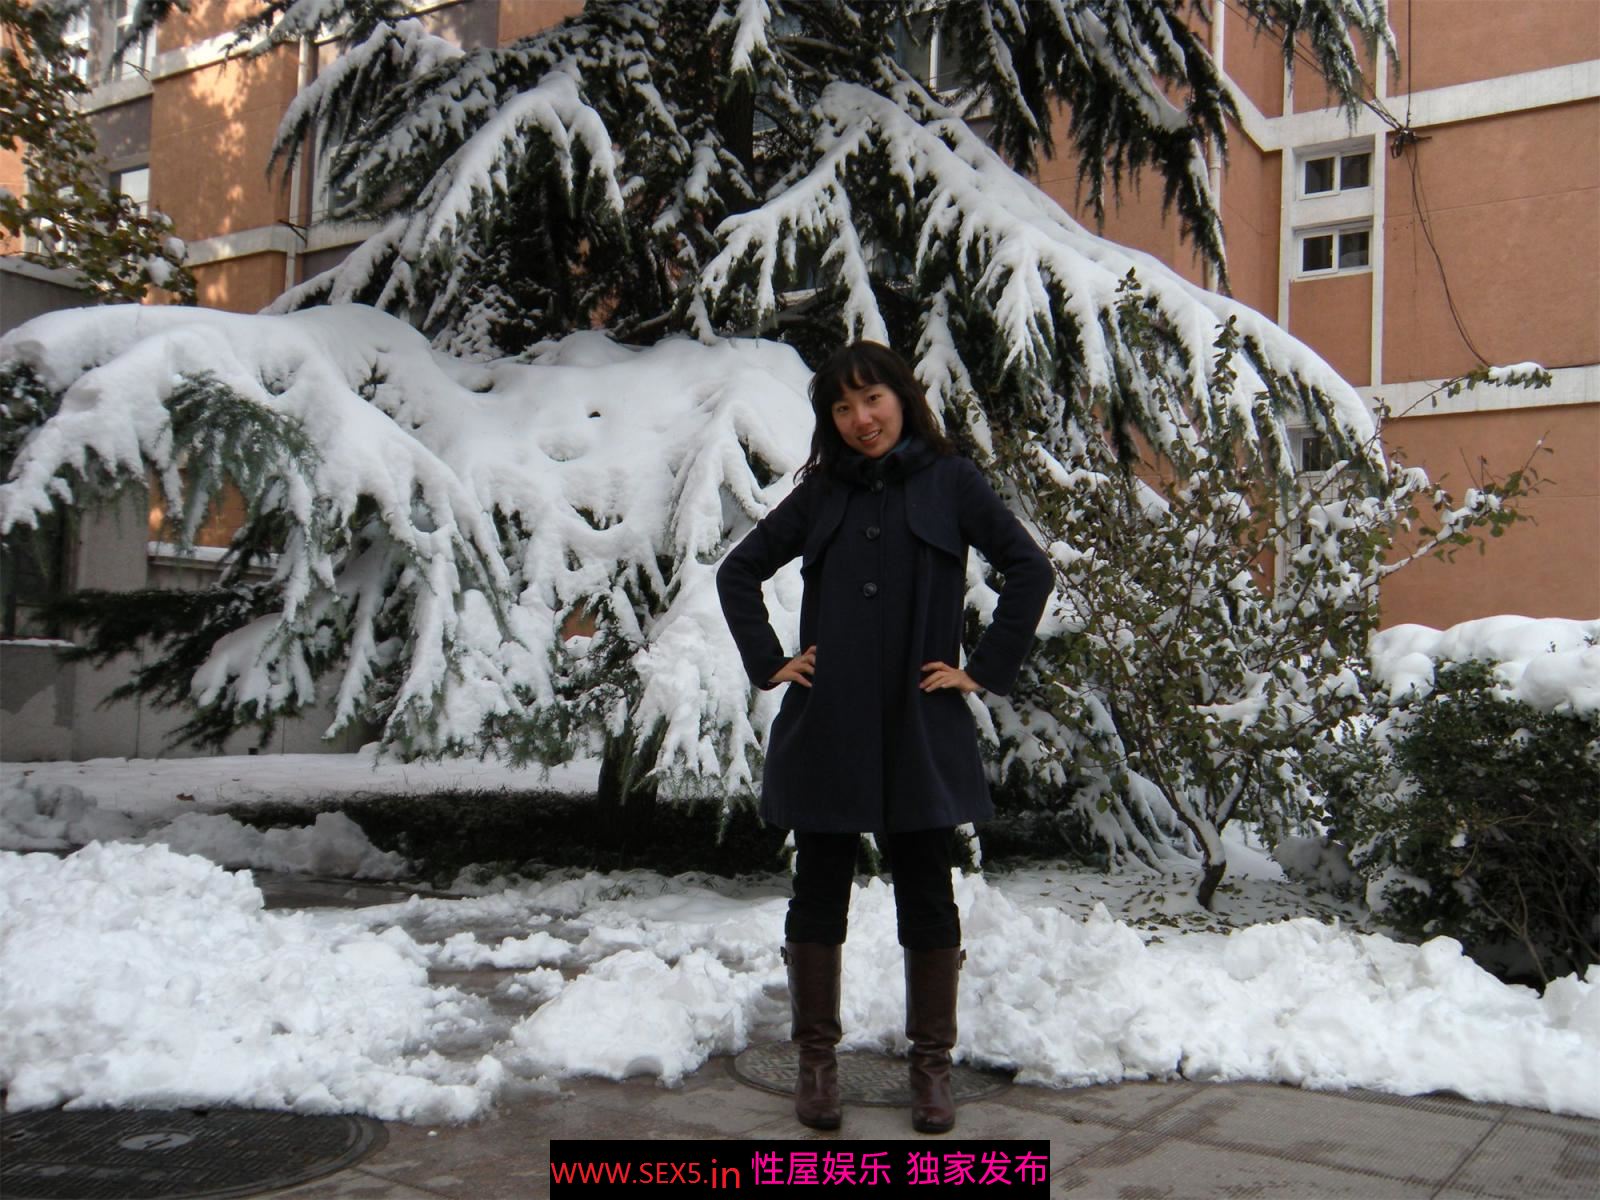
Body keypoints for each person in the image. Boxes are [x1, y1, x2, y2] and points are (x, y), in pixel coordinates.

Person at [716, 340, 1052, 1133]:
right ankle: (816, 1066)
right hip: (828, 724)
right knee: (818, 891)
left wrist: (982, 669)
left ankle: (931, 1070)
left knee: (927, 892)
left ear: (902, 397)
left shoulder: (951, 480)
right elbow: (739, 572)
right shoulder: (822, 493)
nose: (860, 418)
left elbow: (1029, 570)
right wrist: (772, 662)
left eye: (872, 399)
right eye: (842, 407)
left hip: (918, 725)